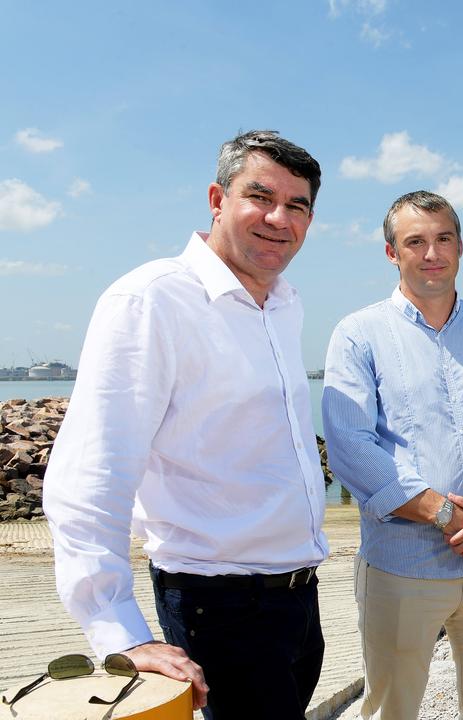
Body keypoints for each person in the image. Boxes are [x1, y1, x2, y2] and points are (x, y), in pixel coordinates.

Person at [43, 130, 329, 719]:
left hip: (298, 601)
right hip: (218, 605)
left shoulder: (283, 304)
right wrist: (120, 633)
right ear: (217, 199)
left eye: (297, 205)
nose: (280, 218)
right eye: (261, 196)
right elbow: (92, 475)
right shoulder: (152, 300)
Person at [322, 190, 463, 720]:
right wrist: (449, 516)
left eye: (443, 238)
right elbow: (351, 446)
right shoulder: (359, 334)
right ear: (391, 253)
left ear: (461, 247)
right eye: (415, 242)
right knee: (391, 710)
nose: (431, 253)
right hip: (404, 568)